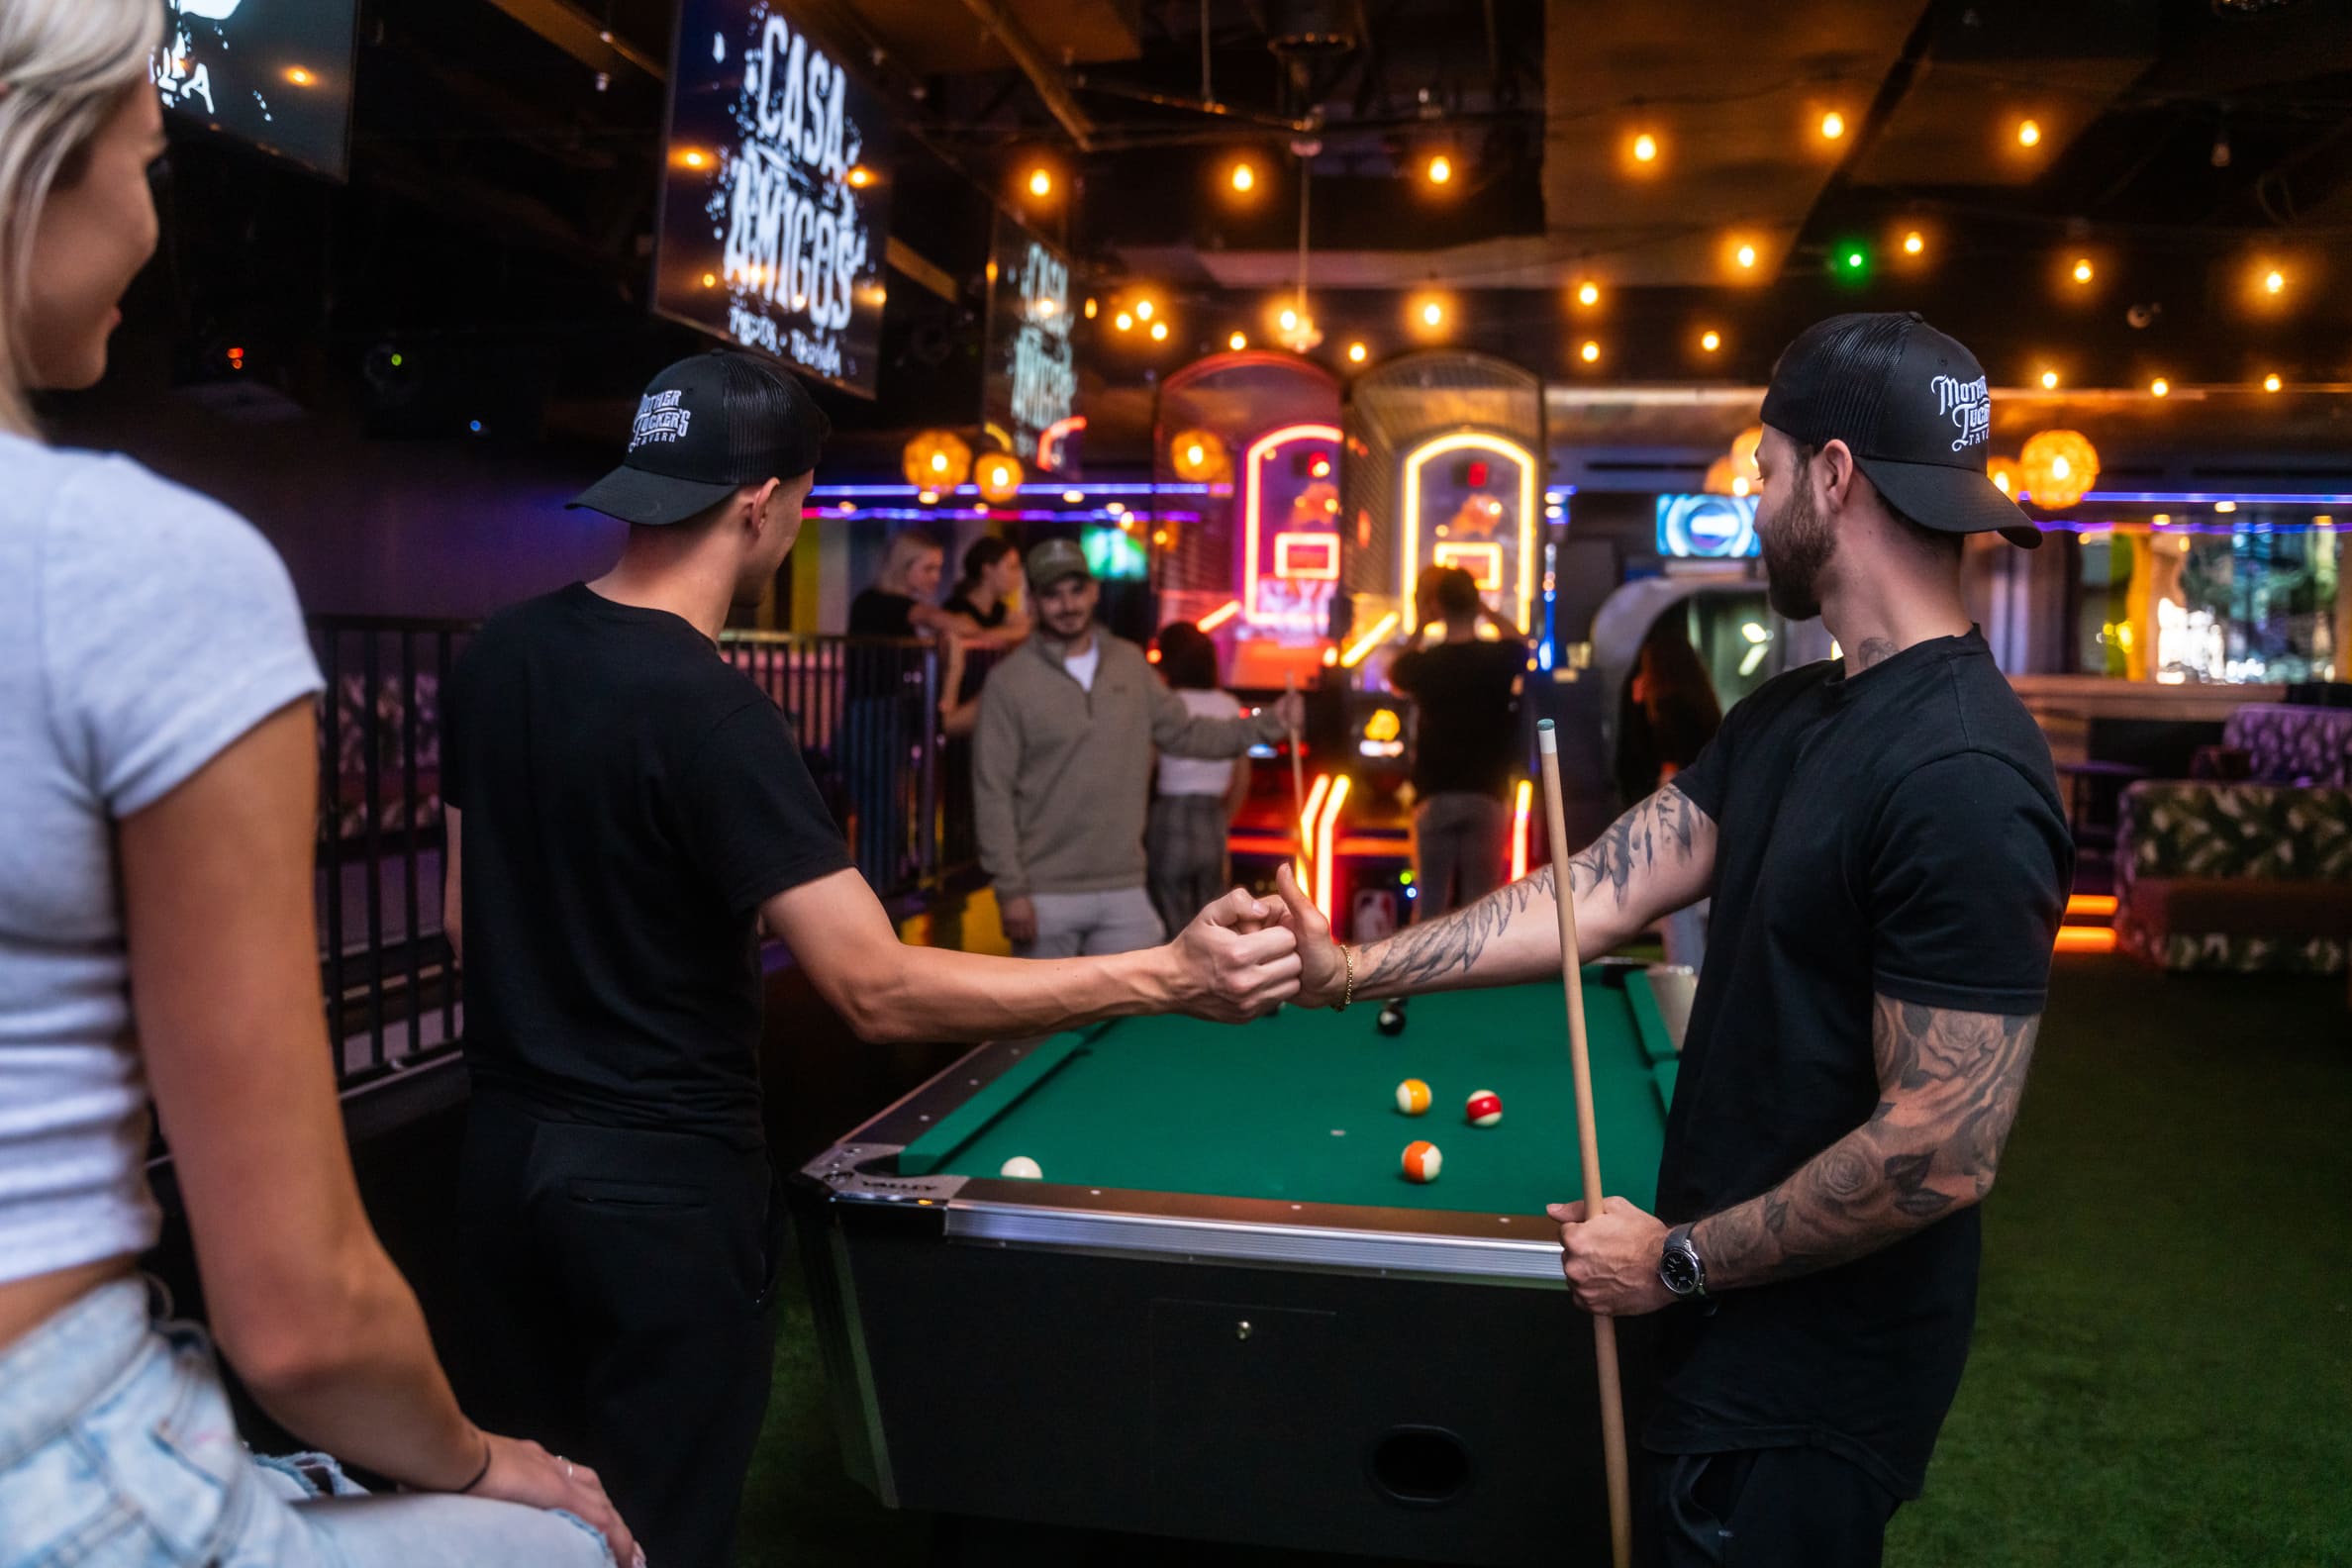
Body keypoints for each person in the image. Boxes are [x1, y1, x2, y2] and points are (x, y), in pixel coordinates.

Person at [441, 354, 1301, 1568]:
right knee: (651, 1538)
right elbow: (874, 988)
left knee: (502, 1535)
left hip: (498, 1172)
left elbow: (462, 927)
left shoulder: (497, 655)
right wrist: (1164, 976)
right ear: (764, 507)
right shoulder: (716, 713)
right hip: (657, 1202)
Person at [1264, 314, 2073, 1567]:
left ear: (1836, 476)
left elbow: (1944, 1152)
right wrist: (1352, 970)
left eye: (1764, 468)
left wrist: (1677, 1264)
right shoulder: (1800, 709)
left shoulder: (1964, 770)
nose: (1753, 502)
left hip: (1809, 1383)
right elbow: (1595, 892)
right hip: (1727, 1333)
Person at [0, 6, 635, 1564]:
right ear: (40, 165)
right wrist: (488, 1462)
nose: (153, 226)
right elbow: (302, 1314)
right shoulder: (152, 573)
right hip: (47, 1452)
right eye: (147, 163)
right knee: (561, 1551)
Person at [974, 539, 1305, 958]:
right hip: (1044, 893)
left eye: (1076, 590)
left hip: (1125, 889)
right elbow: (992, 792)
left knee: (1136, 1020)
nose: (1067, 604)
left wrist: (1273, 722)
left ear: (1094, 592)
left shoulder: (1130, 664)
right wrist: (1010, 890)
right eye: (1052, 594)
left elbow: (1189, 734)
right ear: (1034, 602)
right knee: (1045, 1024)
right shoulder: (1010, 681)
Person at [1386, 565, 1527, 918]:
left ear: (1439, 607)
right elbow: (1521, 645)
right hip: (1486, 792)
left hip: (1435, 793)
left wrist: (1421, 623)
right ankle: (1478, 974)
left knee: (1430, 907)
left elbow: (1395, 672)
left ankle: (1427, 974)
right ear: (1475, 603)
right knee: (1481, 909)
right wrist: (1487, 610)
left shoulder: (1427, 664)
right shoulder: (1497, 659)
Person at [1145, 622, 1256, 939]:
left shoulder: (1167, 704)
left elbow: (1147, 766)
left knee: (1171, 922)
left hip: (1168, 815)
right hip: (1212, 817)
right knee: (1215, 921)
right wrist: (1224, 819)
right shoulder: (1229, 705)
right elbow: (1242, 776)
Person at [847, 529, 949, 637]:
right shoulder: (875, 602)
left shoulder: (875, 599)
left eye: (938, 569)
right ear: (904, 566)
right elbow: (931, 617)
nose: (936, 577)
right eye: (928, 569)